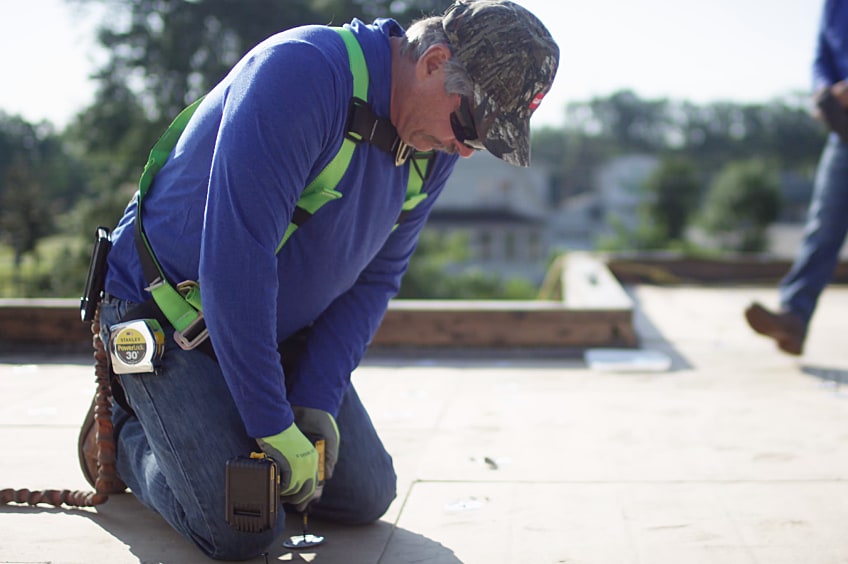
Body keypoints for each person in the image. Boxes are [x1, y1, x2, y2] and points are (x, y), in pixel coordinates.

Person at [77, 0, 558, 559]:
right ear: (433, 61)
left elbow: (374, 282)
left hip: (270, 327)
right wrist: (271, 423)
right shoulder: (302, 75)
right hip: (165, 316)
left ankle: (218, 416)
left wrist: (315, 402)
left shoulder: (432, 149)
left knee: (364, 494)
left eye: (482, 141)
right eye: (469, 125)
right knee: (244, 526)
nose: (466, 149)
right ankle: (119, 436)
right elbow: (236, 260)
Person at [745, 0, 848, 356]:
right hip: (845, 129)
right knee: (824, 224)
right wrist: (824, 93)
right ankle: (794, 317)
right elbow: (822, 55)